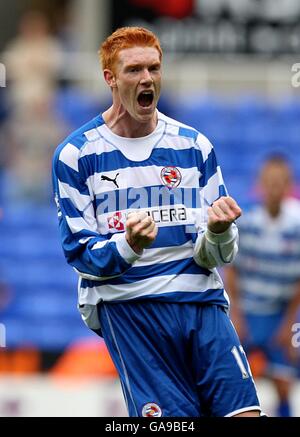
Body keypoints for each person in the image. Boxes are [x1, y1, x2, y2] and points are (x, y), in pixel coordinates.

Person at [52, 27, 263, 417]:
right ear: (110, 78)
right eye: (134, 70)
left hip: (201, 303)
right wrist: (128, 244)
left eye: (154, 68)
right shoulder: (76, 154)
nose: (146, 78)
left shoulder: (194, 146)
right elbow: (78, 251)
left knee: (247, 414)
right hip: (132, 308)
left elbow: (217, 253)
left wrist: (219, 231)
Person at [224, 156, 300, 417]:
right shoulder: (247, 222)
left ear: (289, 185)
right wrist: (236, 313)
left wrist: (290, 322)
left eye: (280, 182)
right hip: (247, 310)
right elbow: (232, 269)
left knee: (284, 382)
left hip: (280, 313)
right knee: (230, 381)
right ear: (260, 184)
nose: (274, 188)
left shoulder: (297, 224)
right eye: (269, 182)